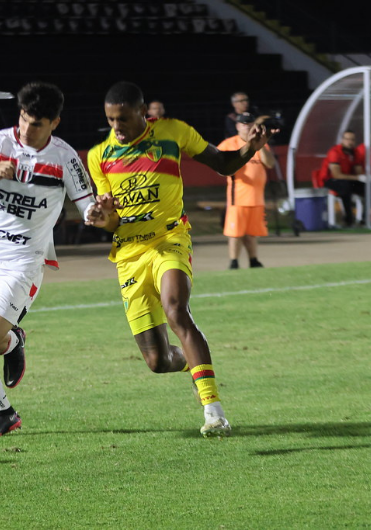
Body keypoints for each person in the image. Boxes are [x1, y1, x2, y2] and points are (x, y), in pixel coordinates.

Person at [85, 81, 276, 438]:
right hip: (129, 254)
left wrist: (250, 147)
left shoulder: (173, 132)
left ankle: (213, 411)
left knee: (176, 310)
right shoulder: (100, 156)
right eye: (111, 120)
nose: (117, 127)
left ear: (144, 113)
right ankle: (192, 362)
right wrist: (103, 217)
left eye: (123, 119)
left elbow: (222, 163)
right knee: (157, 362)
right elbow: (112, 221)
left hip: (169, 238)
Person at [0, 82, 97, 439]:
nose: (25, 129)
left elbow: (87, 206)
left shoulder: (65, 158)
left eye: (36, 124)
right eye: (23, 119)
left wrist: (98, 212)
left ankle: (13, 340)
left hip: (24, 260)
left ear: (54, 123)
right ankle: (3, 413)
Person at [218, 112, 275, 269]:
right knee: (235, 232)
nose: (247, 126)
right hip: (238, 197)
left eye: (250, 123)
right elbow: (221, 168)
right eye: (244, 123)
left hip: (257, 198)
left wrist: (261, 146)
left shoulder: (261, 142)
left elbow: (270, 164)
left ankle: (253, 260)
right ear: (237, 126)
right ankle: (234, 261)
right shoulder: (228, 144)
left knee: (251, 232)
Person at [316, 130, 365, 227]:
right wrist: (358, 177)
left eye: (352, 140)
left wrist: (364, 178)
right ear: (342, 140)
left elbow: (358, 170)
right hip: (329, 180)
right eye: (347, 139)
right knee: (345, 187)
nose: (350, 142)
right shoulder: (335, 152)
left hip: (346, 180)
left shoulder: (355, 153)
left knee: (366, 187)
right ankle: (348, 219)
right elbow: (336, 175)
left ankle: (364, 219)